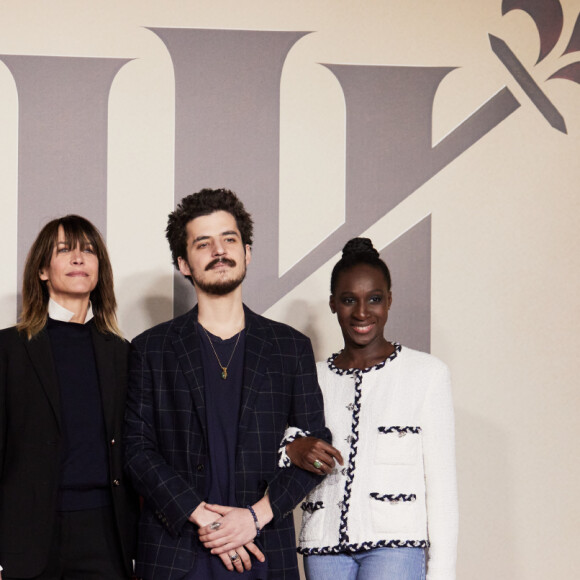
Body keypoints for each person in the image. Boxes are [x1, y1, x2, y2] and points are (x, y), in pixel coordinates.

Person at [123, 188, 330, 580]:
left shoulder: (290, 348)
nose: (219, 250)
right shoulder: (151, 349)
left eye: (229, 239)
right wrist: (204, 518)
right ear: (184, 263)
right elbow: (136, 450)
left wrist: (255, 517)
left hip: (264, 550)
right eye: (204, 243)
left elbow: (314, 450)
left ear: (247, 252)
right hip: (177, 549)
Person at [285, 238, 458, 580]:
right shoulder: (312, 376)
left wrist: (442, 573)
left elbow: (442, 484)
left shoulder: (427, 373)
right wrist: (292, 446)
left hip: (396, 546)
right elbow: (276, 444)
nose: (362, 313)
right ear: (333, 304)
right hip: (324, 546)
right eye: (349, 300)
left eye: (374, 299)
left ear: (389, 301)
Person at [0, 215, 139, 580]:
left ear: (99, 269)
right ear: (43, 270)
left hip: (107, 535)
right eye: (65, 250)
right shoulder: (9, 349)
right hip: (25, 539)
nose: (79, 259)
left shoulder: (123, 354)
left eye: (88, 251)